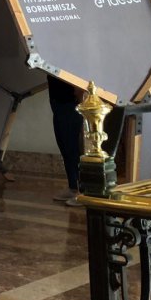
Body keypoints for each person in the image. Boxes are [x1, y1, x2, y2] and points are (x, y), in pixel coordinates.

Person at [47, 75, 84, 206]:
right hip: (58, 102)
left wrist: (79, 97)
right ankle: (73, 187)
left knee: (73, 148)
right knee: (65, 146)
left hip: (71, 102)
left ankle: (83, 192)